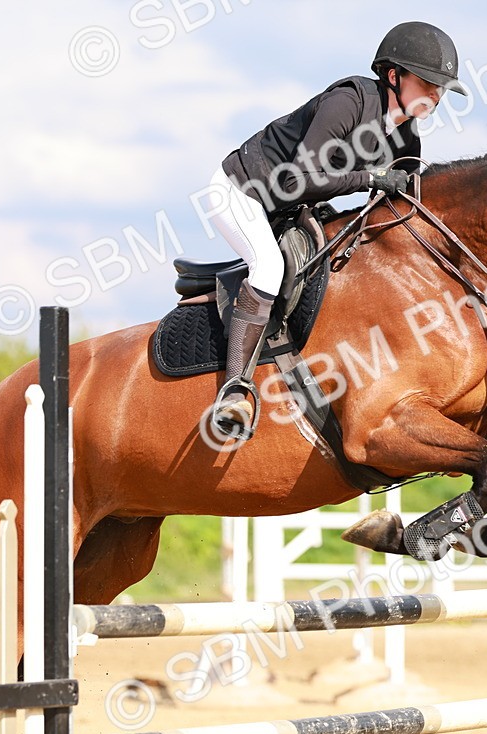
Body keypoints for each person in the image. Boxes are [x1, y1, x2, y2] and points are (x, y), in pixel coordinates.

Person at [198, 21, 465, 439]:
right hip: (244, 191)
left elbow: (403, 208)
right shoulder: (348, 102)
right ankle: (235, 390)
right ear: (393, 76)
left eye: (442, 87)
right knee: (267, 268)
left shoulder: (406, 139)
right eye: (428, 82)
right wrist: (372, 178)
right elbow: (295, 180)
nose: (437, 94)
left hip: (295, 204)